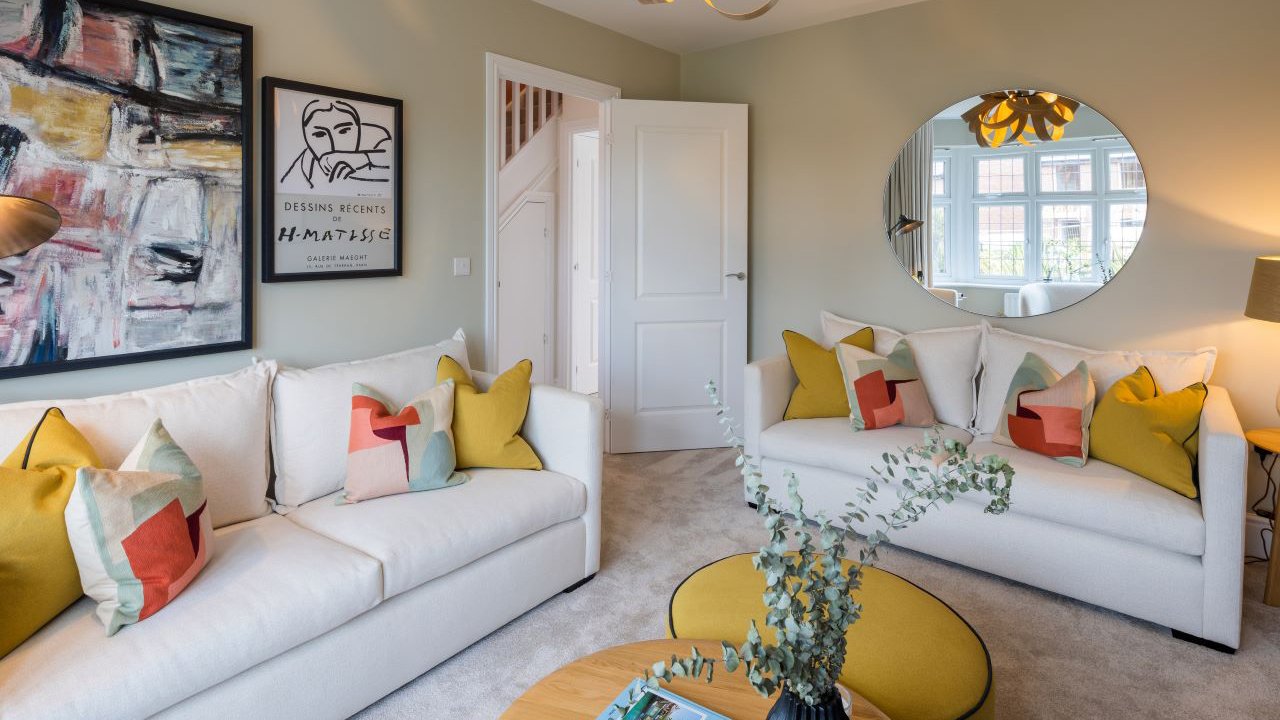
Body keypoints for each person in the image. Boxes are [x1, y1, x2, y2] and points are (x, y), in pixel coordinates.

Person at [281, 99, 391, 189]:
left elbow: (393, 162)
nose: (333, 146)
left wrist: (362, 158)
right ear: (306, 137)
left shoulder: (377, 137)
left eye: (344, 131)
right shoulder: (305, 164)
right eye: (320, 135)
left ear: (359, 128)